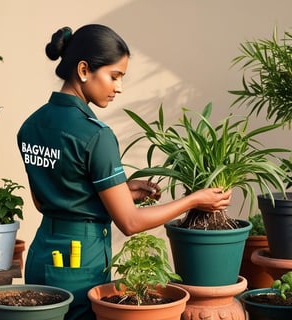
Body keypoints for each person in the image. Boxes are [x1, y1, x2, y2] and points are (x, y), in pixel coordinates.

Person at [17, 24, 232, 320]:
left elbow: (46, 200)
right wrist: (194, 200)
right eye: (114, 76)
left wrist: (120, 190)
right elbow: (130, 222)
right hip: (82, 262)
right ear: (83, 70)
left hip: (41, 256)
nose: (118, 87)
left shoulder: (31, 126)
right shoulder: (96, 135)